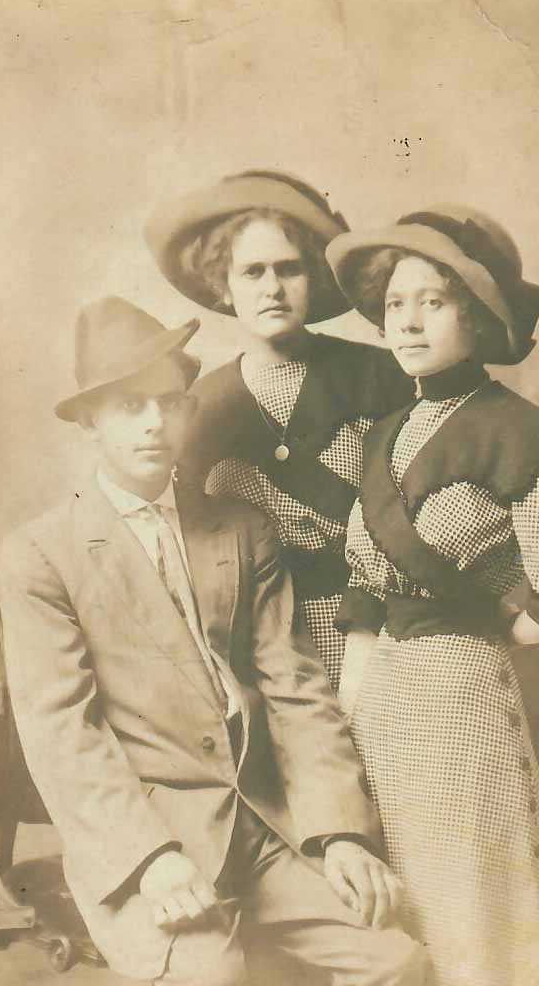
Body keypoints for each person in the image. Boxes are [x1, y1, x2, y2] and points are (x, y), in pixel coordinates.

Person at [0, 296, 425, 986]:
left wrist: (337, 833)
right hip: (147, 834)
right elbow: (62, 732)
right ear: (89, 419)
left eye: (170, 403)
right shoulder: (41, 554)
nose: (155, 424)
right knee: (212, 984)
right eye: (130, 406)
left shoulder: (240, 526)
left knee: (392, 963)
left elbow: (293, 686)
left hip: (259, 824)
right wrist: (149, 858)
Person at [325, 208, 539, 986]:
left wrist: (473, 639)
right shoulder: (380, 436)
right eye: (396, 303)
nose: (406, 321)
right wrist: (354, 692)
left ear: (476, 318)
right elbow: (362, 586)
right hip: (379, 714)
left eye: (433, 302)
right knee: (400, 923)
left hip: (462, 714)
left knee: (475, 920)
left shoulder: (525, 433)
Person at [144, 170, 414, 690]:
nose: (272, 288)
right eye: (252, 272)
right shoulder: (200, 410)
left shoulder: (382, 376)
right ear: (222, 285)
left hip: (385, 633)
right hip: (267, 648)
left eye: (289, 269)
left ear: (313, 276)